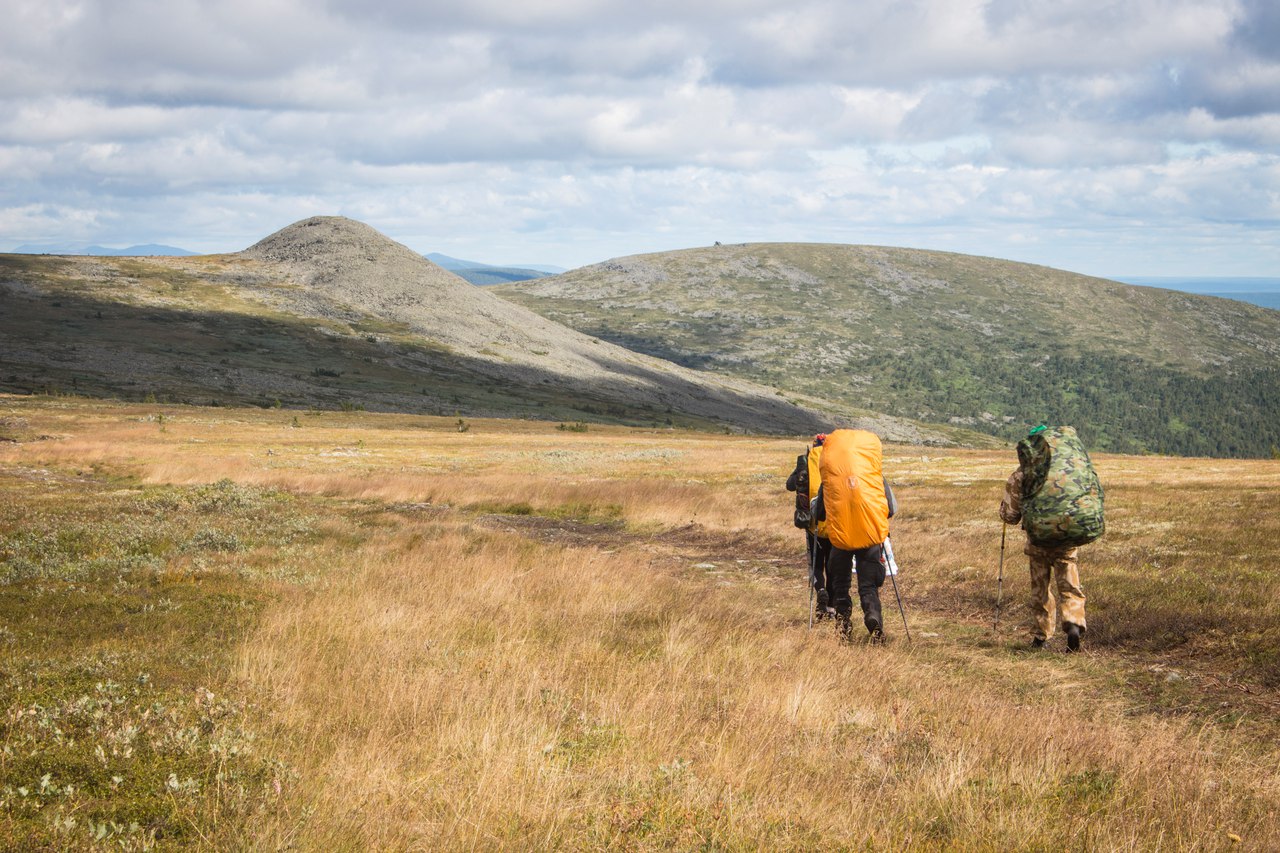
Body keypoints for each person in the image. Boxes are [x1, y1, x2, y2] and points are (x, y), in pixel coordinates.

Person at [998, 425, 1102, 652]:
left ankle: (1040, 637)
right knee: (1070, 586)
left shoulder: (1022, 473)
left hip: (1038, 541)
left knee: (1041, 589)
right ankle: (1073, 624)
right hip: (1067, 540)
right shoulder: (1071, 469)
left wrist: (1005, 510)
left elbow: (1010, 516)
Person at [812, 429, 897, 640]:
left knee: (840, 585)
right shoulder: (874, 477)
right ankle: (873, 618)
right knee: (868, 586)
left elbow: (819, 514)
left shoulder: (830, 479)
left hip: (840, 541)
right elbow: (891, 509)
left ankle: (843, 627)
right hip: (870, 537)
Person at [786, 434, 834, 618]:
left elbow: (790, 485)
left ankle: (820, 590)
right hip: (834, 524)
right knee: (832, 564)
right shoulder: (835, 462)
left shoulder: (806, 463)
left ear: (814, 446)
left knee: (815, 563)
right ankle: (830, 607)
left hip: (812, 524)